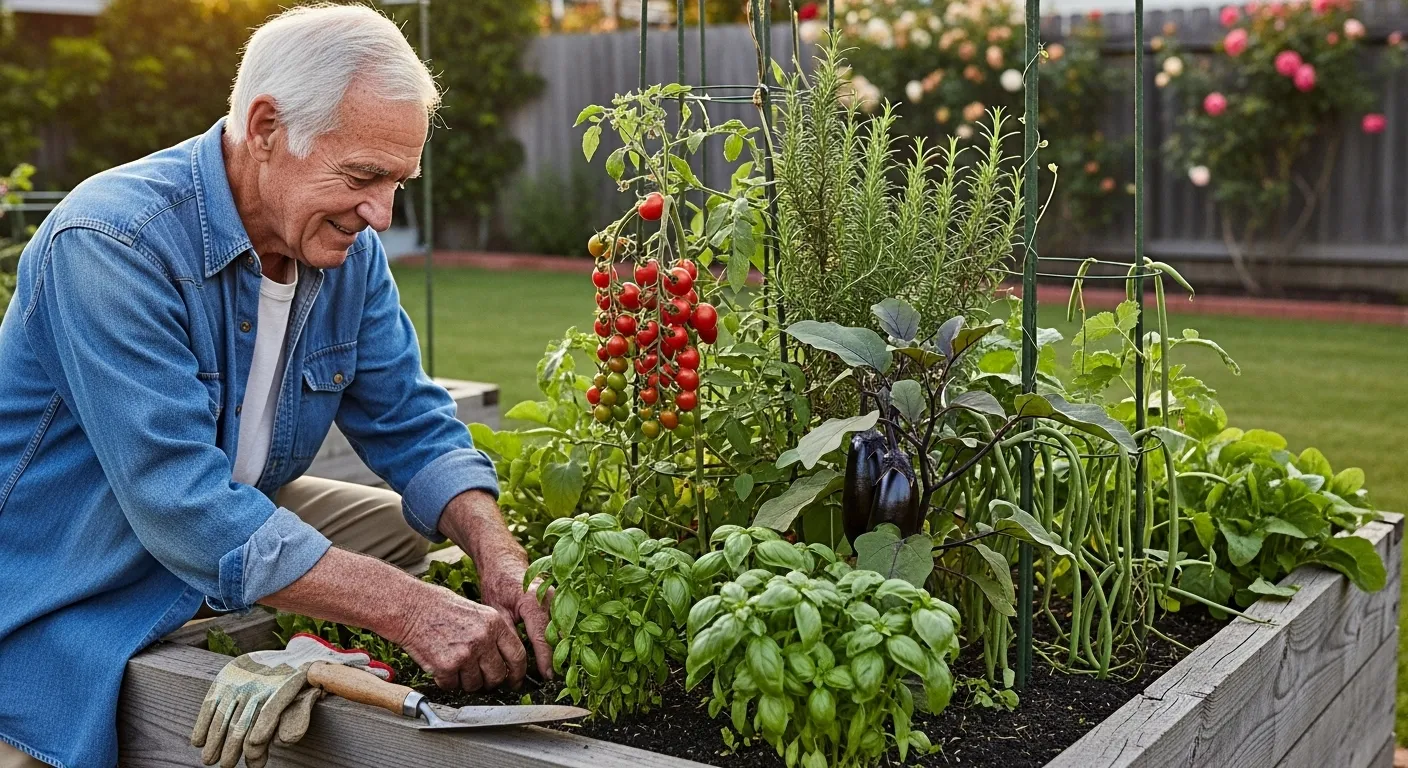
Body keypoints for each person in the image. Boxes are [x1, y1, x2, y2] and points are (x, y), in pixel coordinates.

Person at [0, 6, 549, 767]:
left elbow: (413, 422)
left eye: (398, 181)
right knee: (44, 737)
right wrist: (410, 611)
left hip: (233, 504)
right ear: (265, 129)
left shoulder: (340, 249)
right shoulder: (110, 243)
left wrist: (498, 553)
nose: (383, 214)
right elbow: (180, 503)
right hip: (77, 560)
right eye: (363, 176)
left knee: (412, 540)